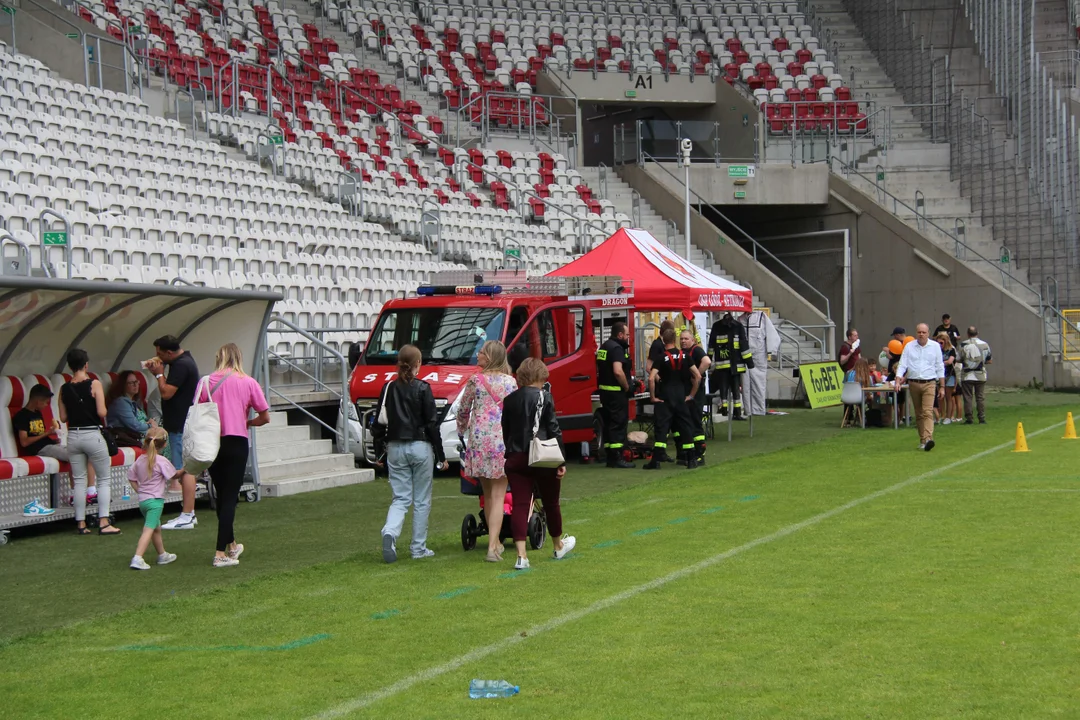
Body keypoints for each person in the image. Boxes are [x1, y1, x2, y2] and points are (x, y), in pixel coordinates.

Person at [197, 343, 271, 567]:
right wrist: (247, 422)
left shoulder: (206, 381)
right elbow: (265, 416)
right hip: (236, 439)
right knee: (230, 497)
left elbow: (197, 411)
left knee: (222, 494)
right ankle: (220, 553)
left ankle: (231, 545)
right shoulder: (248, 382)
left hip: (212, 441)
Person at [376, 344, 448, 564]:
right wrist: (441, 455)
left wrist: (379, 453)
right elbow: (432, 424)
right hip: (420, 446)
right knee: (421, 500)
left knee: (400, 498)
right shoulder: (423, 388)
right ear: (418, 364)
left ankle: (390, 531)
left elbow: (378, 423)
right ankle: (418, 548)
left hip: (395, 446)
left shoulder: (388, 388)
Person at [501, 357, 575, 570]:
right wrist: (561, 460)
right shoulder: (545, 397)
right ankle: (557, 545)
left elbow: (505, 430)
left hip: (516, 456)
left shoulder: (509, 400)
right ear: (540, 377)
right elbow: (554, 429)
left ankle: (521, 555)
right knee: (551, 502)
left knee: (521, 505)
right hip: (542, 455)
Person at [456, 340, 517, 562]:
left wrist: (462, 429)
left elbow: (463, 409)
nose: (478, 355)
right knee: (499, 494)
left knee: (488, 493)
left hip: (480, 442)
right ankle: (494, 545)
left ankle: (494, 543)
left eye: (481, 352)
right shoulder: (510, 382)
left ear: (489, 357)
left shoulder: (475, 381)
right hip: (501, 441)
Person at [58, 349, 120, 534]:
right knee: (103, 480)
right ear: (86, 364)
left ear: (69, 366)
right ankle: (103, 522)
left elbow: (62, 417)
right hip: (92, 434)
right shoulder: (94, 384)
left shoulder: (64, 389)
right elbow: (102, 412)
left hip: (73, 436)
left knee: (78, 481)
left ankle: (81, 524)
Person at [13, 383, 98, 506]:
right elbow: (24, 442)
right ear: (37, 401)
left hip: (47, 446)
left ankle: (80, 493)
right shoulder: (22, 416)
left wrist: (52, 439)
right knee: (76, 454)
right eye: (45, 402)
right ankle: (79, 494)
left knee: (82, 452)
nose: (46, 405)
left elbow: (40, 435)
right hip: (38, 449)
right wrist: (47, 433)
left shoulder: (37, 413)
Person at [147, 335, 200, 531]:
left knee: (184, 469)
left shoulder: (181, 365)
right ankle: (187, 513)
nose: (157, 357)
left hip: (179, 423)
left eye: (160, 354)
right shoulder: (184, 361)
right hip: (179, 422)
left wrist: (160, 375)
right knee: (184, 468)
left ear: (169, 353)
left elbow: (167, 392)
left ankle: (187, 514)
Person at [645, 327, 701, 469]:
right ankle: (691, 459)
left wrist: (653, 397)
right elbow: (698, 376)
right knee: (686, 426)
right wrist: (691, 395)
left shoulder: (661, 357)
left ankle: (656, 461)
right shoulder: (685, 356)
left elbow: (651, 378)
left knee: (662, 428)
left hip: (665, 396)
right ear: (675, 340)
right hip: (681, 396)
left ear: (663, 340)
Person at [127, 427, 180, 570]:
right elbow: (174, 475)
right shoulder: (161, 460)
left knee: (155, 527)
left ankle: (162, 554)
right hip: (155, 502)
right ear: (164, 444)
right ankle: (138, 557)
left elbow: (131, 477)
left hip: (143, 501)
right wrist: (187, 469)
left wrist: (140, 491)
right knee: (149, 529)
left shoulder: (140, 459)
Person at [895, 323, 946, 451]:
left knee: (927, 411)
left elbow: (940, 366)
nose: (921, 334)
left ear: (928, 333)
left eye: (924, 332)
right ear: (916, 333)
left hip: (929, 382)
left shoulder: (935, 347)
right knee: (919, 413)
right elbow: (902, 364)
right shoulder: (909, 346)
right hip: (914, 382)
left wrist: (942, 386)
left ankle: (929, 438)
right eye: (919, 332)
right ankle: (922, 439)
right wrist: (897, 380)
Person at [596, 322, 635, 469]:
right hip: (616, 393)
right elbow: (618, 371)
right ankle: (617, 457)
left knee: (608, 424)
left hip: (605, 393)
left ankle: (609, 455)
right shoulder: (617, 349)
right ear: (620, 335)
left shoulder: (604, 346)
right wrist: (627, 387)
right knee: (618, 424)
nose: (627, 337)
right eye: (627, 334)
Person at [644, 319, 677, 462]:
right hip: (661, 388)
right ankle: (659, 453)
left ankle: (662, 452)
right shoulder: (657, 345)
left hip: (667, 388)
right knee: (662, 422)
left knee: (667, 421)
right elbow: (649, 366)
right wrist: (660, 380)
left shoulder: (662, 346)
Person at [708, 312, 752, 420]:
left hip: (724, 365)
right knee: (735, 389)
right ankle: (735, 412)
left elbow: (711, 345)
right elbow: (744, 344)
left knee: (727, 389)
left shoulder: (717, 326)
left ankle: (727, 410)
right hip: (735, 365)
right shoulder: (737, 326)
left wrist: (708, 359)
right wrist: (749, 362)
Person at [680, 329, 710, 462]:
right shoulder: (683, 353)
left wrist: (696, 374)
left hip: (696, 392)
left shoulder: (696, 350)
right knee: (688, 422)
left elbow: (707, 362)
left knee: (696, 421)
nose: (683, 341)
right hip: (687, 391)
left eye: (686, 339)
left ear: (692, 340)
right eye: (681, 339)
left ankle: (700, 454)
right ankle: (690, 453)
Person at [742, 309, 780, 415]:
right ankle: (748, 410)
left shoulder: (761, 316)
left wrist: (772, 351)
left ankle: (758, 409)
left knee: (759, 384)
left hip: (758, 356)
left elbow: (772, 334)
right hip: (744, 357)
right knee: (745, 385)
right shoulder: (740, 319)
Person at [106, 369, 157, 443]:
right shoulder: (120, 403)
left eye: (136, 382)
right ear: (123, 385)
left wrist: (151, 421)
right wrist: (150, 426)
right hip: (127, 437)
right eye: (131, 383)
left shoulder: (135, 402)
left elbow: (143, 421)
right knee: (163, 439)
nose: (135, 385)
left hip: (139, 435)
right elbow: (135, 425)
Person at [960, 326, 992, 424]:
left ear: (968, 334)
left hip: (967, 375)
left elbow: (958, 358)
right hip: (980, 374)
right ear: (977, 332)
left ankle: (969, 418)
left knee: (968, 397)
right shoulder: (985, 344)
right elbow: (989, 360)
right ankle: (981, 418)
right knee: (980, 397)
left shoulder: (963, 344)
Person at [933, 332, 958, 425]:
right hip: (939, 375)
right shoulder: (936, 350)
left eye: (941, 343)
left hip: (949, 375)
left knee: (948, 397)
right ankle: (940, 415)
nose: (939, 344)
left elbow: (949, 361)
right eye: (938, 342)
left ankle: (948, 417)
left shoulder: (951, 350)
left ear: (946, 341)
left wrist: (940, 363)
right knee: (939, 397)